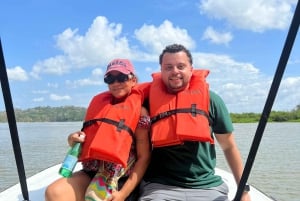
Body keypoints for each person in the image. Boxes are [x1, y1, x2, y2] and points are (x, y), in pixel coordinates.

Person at [137, 44, 251, 201]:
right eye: (168, 67)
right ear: (161, 71)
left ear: (191, 69)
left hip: (206, 185)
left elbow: (229, 146)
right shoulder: (146, 102)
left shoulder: (212, 100)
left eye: (181, 66)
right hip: (161, 186)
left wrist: (243, 190)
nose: (175, 71)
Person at [45, 58, 151, 201]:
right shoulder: (100, 106)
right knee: (54, 192)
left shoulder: (140, 111)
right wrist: (72, 139)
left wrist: (123, 194)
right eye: (110, 79)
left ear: (133, 80)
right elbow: (86, 139)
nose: (116, 83)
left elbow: (144, 157)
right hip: (92, 171)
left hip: (120, 177)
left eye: (121, 77)